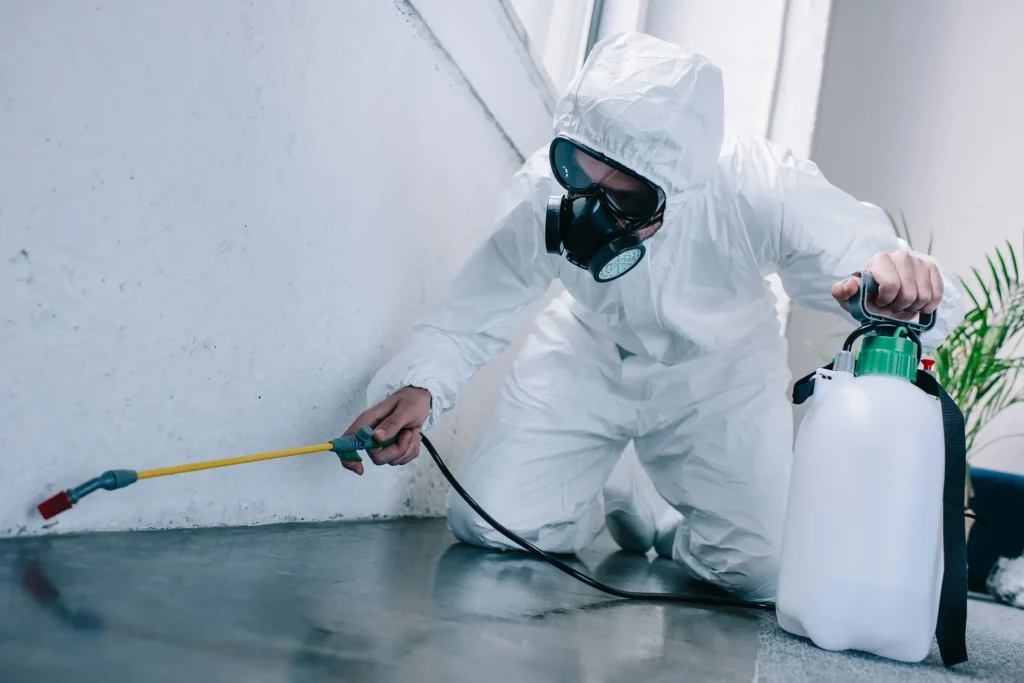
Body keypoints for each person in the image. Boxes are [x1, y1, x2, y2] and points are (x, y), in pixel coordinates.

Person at [341, 32, 964, 602]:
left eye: (628, 197)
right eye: (579, 169)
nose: (590, 209)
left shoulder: (759, 187)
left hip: (719, 375)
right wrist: (421, 385)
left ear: (681, 185)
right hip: (587, 354)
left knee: (764, 574)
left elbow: (869, 265)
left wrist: (901, 289)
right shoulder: (541, 194)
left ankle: (656, 514)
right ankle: (595, 487)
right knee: (489, 524)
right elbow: (469, 314)